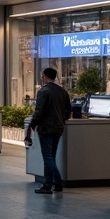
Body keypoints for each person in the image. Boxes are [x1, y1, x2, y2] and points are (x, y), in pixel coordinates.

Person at [26, 66, 71, 194]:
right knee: (51, 156)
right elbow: (68, 111)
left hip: (46, 128)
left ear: (45, 76)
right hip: (58, 128)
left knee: (47, 157)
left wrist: (33, 125)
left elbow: (39, 112)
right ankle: (57, 184)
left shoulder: (43, 91)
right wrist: (61, 121)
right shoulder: (63, 91)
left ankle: (48, 185)